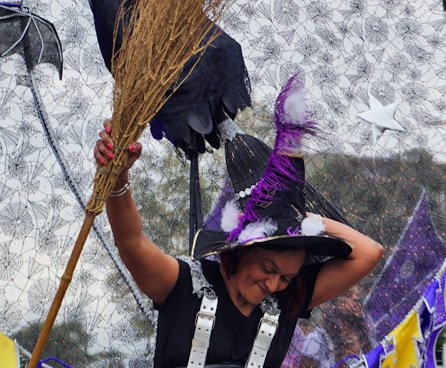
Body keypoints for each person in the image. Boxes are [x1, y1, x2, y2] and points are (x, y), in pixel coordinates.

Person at [94, 75, 384, 367]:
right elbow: (130, 241)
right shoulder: (181, 286)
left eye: (287, 277)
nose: (274, 284)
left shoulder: (289, 301)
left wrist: (293, 215)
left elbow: (369, 251)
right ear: (240, 249)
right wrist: (117, 175)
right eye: (268, 268)